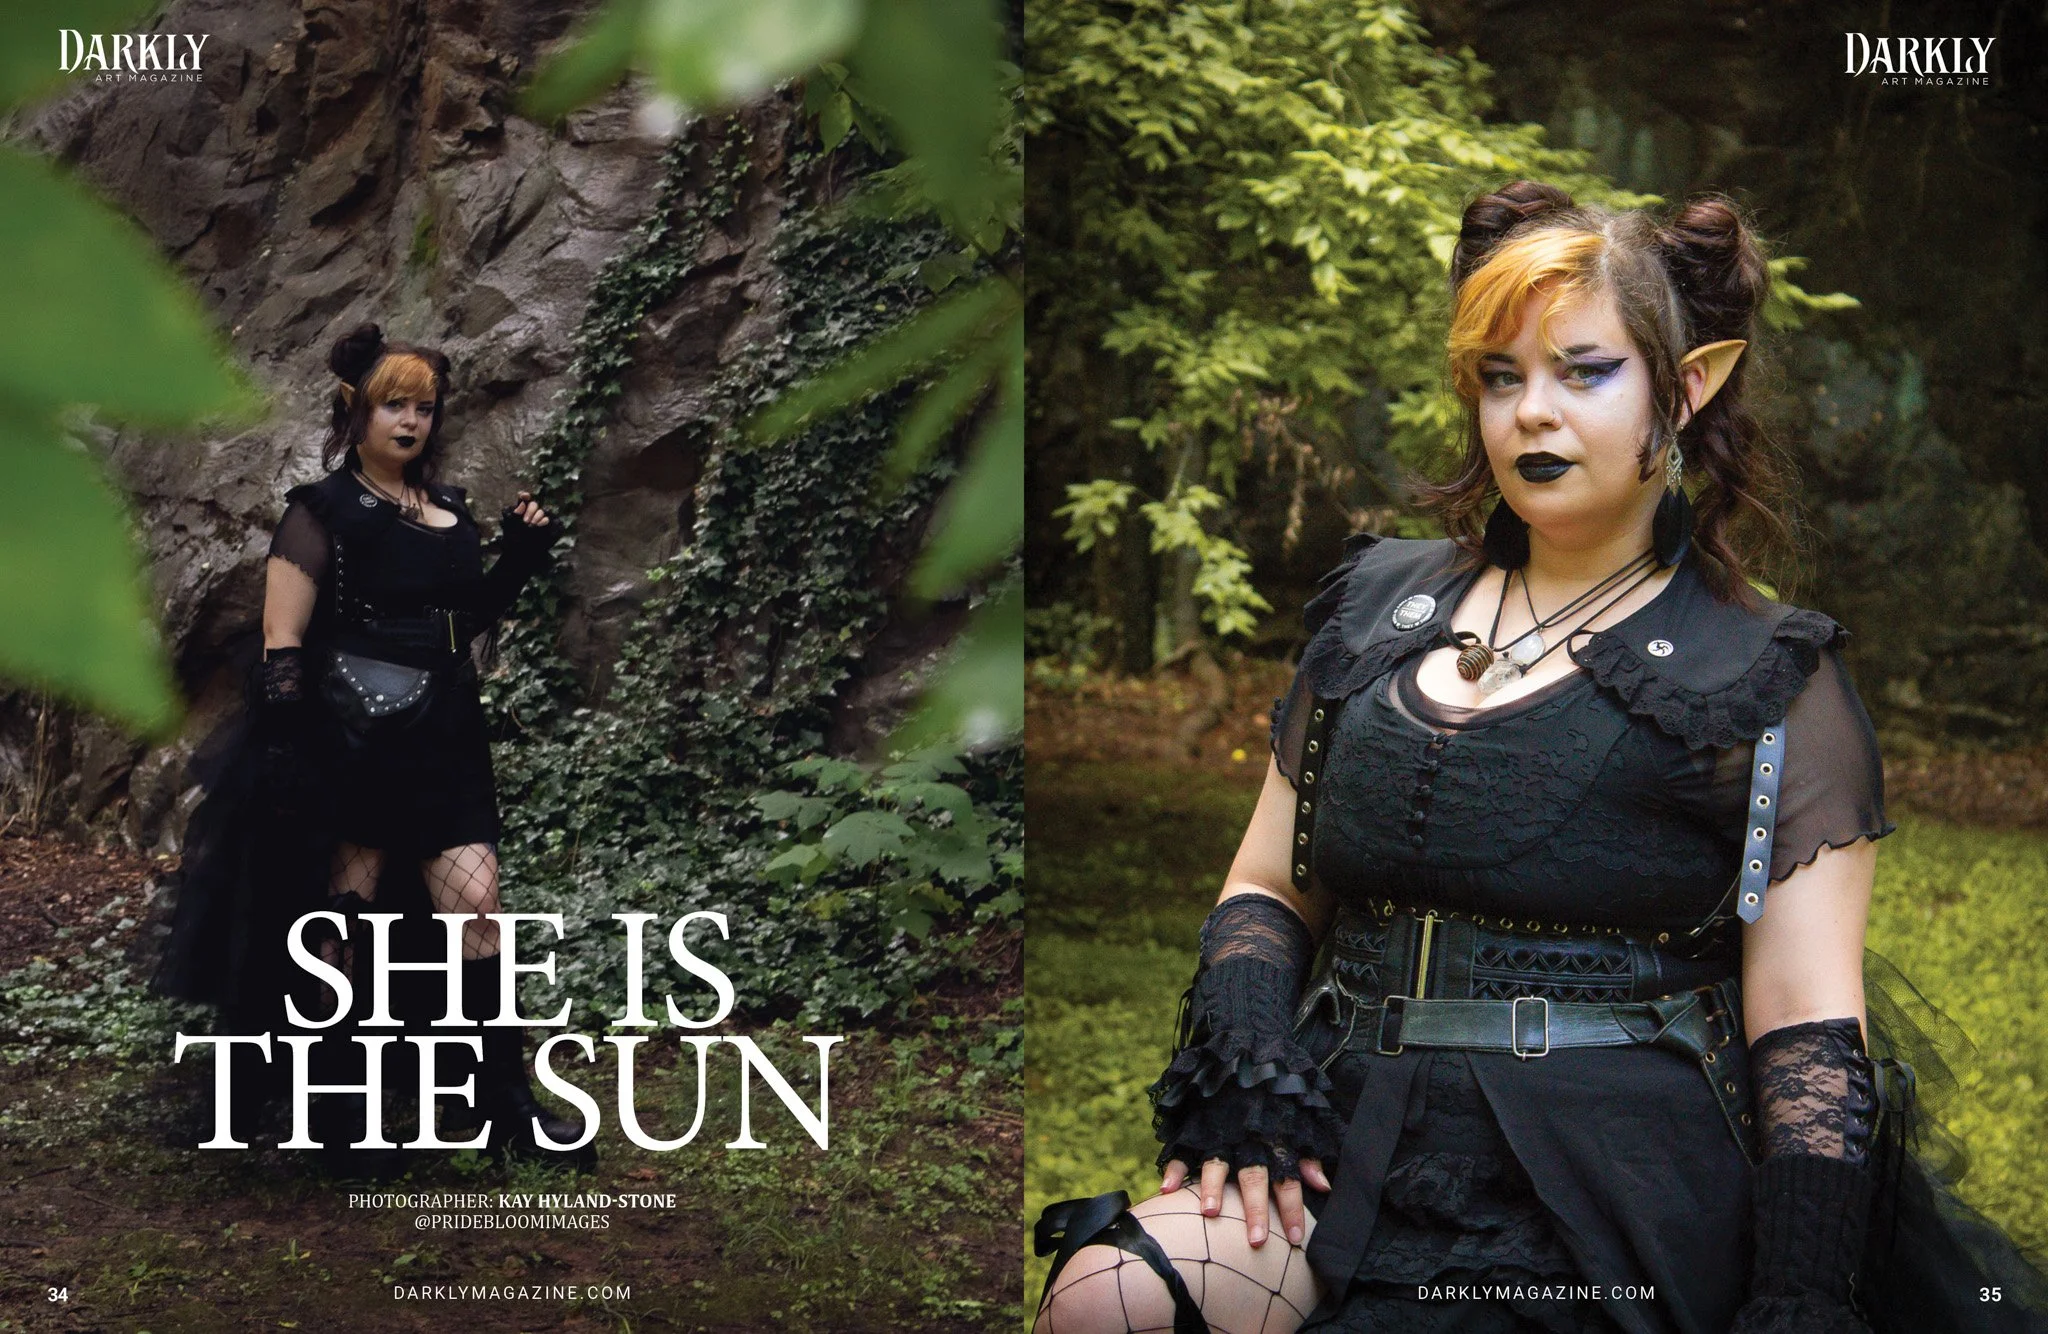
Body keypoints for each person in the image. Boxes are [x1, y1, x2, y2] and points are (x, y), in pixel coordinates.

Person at [1032, 183, 2048, 1333]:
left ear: (1687, 384)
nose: (1531, 413)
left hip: (1600, 1175)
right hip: (1341, 1129)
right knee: (1107, 1297)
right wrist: (1250, 1064)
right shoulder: (1374, 606)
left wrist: (1800, 1293)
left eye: (1583, 370)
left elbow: (1806, 1020)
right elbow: (1269, 882)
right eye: (1501, 377)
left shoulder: (1764, 670)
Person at [155, 322, 589, 1175]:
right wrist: (286, 751)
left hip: (447, 738)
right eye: (395, 404)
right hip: (353, 741)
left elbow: (460, 623)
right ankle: (337, 1112)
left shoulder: (450, 513)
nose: (411, 421)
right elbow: (283, 639)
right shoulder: (320, 512)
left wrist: (522, 559)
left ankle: (506, 1104)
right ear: (357, 412)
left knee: (478, 914)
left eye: (424, 407)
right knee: (349, 928)